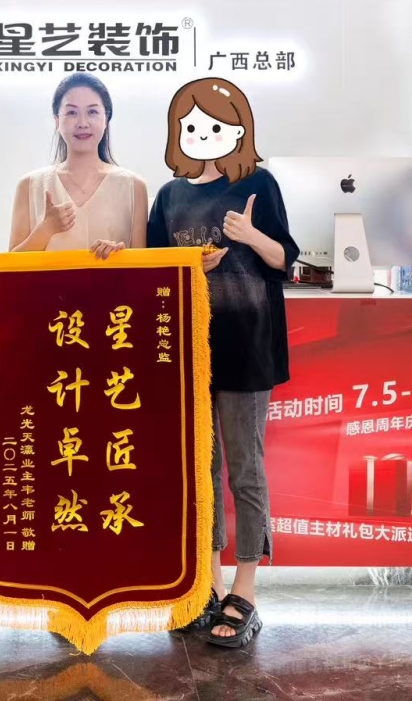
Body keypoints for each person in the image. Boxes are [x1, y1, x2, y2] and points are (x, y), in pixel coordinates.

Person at [146, 78, 298, 649]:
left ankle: (246, 591)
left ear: (238, 130)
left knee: (245, 468)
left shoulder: (258, 182)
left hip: (248, 346)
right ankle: (207, 587)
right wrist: (190, 264)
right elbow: (153, 270)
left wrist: (252, 236)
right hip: (189, 351)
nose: (202, 134)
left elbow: (285, 260)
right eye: (191, 126)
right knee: (202, 471)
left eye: (215, 125)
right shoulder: (169, 196)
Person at [9, 73, 147, 259]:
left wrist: (119, 256)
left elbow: (142, 266)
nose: (83, 123)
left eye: (92, 112)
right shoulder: (30, 185)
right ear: (57, 121)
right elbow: (8, 266)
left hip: (113, 280)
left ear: (106, 119)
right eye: (72, 113)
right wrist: (45, 229)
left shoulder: (133, 186)